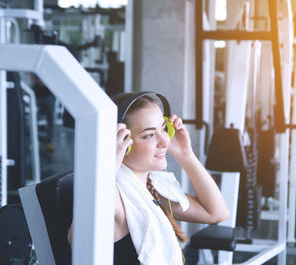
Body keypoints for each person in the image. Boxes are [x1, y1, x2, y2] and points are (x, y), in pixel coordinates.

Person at [68, 92, 229, 265]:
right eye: (148, 135)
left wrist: (185, 154)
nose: (165, 141)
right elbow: (76, 239)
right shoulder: (116, 193)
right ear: (122, 143)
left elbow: (217, 214)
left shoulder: (151, 189)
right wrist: (110, 162)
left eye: (163, 128)